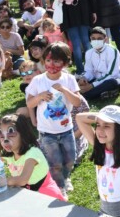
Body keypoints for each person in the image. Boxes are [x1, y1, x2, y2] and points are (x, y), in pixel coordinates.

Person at [25, 42, 84, 194]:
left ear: (65, 62)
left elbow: (77, 102)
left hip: (66, 129)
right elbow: (30, 103)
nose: (51, 64)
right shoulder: (38, 81)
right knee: (54, 162)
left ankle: (66, 176)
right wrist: (39, 96)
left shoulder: (69, 79)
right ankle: (60, 186)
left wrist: (64, 90)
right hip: (47, 132)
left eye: (56, 61)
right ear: (43, 60)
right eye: (48, 60)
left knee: (70, 159)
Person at [0, 114, 65, 200]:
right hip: (25, 194)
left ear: (23, 134)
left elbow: (22, 180)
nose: (5, 140)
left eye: (11, 134)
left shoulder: (32, 154)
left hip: (45, 194)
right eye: (2, 136)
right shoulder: (7, 153)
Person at [53, 0, 95, 75]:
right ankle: (92, 67)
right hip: (83, 8)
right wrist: (93, 10)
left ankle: (80, 69)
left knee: (75, 42)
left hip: (69, 10)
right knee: (86, 40)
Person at [79, 27, 120, 101]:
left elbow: (111, 74)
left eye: (99, 38)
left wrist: (92, 85)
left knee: (111, 83)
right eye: (93, 38)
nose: (96, 41)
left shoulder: (112, 51)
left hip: (114, 78)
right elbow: (89, 71)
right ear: (90, 39)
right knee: (78, 81)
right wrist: (84, 78)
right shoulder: (89, 52)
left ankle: (85, 94)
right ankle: (103, 93)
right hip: (96, 79)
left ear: (105, 39)